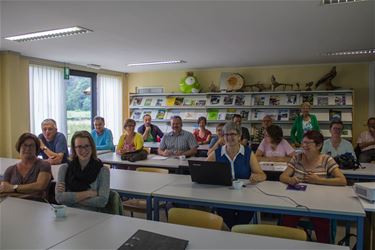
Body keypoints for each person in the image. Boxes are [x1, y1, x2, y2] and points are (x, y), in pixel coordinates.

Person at [279, 130, 347, 243]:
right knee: (287, 224)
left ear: (319, 145)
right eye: (303, 142)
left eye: (307, 143)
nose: (304, 146)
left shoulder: (326, 159)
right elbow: (283, 176)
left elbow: (342, 180)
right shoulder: (297, 157)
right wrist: (290, 179)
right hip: (296, 201)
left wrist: (318, 180)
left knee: (322, 227)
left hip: (318, 202)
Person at [207, 122, 266, 228]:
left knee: (242, 222)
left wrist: (257, 177)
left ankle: (237, 233)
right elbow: (203, 169)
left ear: (239, 136)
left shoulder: (248, 153)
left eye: (233, 134)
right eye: (226, 135)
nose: (229, 137)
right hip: (223, 196)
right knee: (227, 219)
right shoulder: (217, 153)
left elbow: (262, 174)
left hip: (245, 197)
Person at [55, 131, 109, 211]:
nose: (83, 150)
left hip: (93, 216)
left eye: (87, 146)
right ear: (74, 148)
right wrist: (88, 194)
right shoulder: (64, 169)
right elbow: (59, 198)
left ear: (92, 147)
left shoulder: (103, 170)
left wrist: (69, 198)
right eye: (79, 147)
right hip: (69, 214)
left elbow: (102, 201)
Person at [0, 133, 52, 201]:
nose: (28, 148)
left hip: (37, 206)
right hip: (12, 205)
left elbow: (40, 186)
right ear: (19, 147)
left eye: (31, 145)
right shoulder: (10, 169)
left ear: (36, 149)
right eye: (24, 145)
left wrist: (13, 188)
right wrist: (29, 193)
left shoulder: (44, 165)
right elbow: (3, 191)